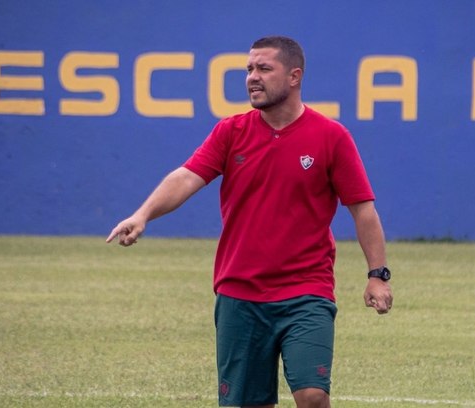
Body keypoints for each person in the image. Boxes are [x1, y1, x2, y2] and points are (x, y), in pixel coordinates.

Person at [106, 35, 393, 408]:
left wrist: (377, 274)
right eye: (249, 69)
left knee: (313, 396)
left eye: (263, 68)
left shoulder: (331, 136)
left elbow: (362, 209)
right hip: (239, 294)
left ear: (294, 76)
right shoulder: (231, 132)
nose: (251, 77)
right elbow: (186, 177)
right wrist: (142, 215)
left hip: (306, 292)